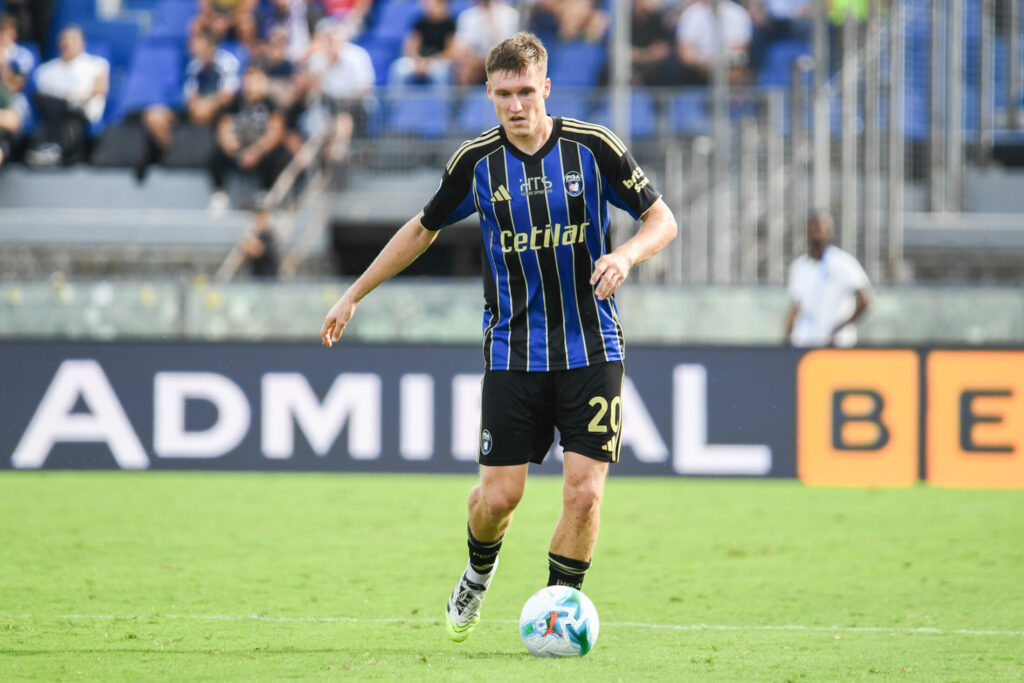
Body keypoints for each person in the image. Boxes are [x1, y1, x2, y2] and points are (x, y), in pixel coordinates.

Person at [320, 32, 678, 642]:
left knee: (585, 495)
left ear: (546, 89)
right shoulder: (477, 163)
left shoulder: (594, 148)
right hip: (514, 352)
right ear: (488, 93)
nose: (516, 105)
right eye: (504, 94)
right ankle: (477, 574)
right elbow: (423, 228)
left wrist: (626, 256)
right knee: (499, 499)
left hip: (594, 346)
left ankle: (559, 614)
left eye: (526, 92)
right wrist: (354, 293)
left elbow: (662, 220)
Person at [137, 29, 241, 181]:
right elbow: (191, 98)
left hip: (221, 114)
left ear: (210, 46)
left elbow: (227, 96)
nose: (192, 47)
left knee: (204, 113)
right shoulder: (194, 65)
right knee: (154, 117)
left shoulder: (227, 62)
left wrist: (207, 104)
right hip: (196, 111)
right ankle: (175, 156)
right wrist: (198, 105)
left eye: (197, 43)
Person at [209, 63, 292, 212]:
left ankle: (267, 192)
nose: (251, 86)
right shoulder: (236, 102)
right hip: (239, 148)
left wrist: (256, 151)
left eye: (256, 81)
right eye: (249, 81)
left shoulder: (270, 104)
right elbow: (224, 127)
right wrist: (233, 148)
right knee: (215, 154)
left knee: (280, 156)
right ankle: (220, 193)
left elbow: (275, 133)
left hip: (260, 150)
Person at [785, 211, 872, 348]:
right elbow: (797, 306)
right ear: (806, 231)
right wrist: (788, 337)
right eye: (815, 228)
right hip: (805, 341)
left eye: (823, 228)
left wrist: (841, 328)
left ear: (830, 232)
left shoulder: (844, 262)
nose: (818, 232)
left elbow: (865, 300)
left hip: (836, 344)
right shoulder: (799, 266)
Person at [26, 25, 109, 166]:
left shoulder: (96, 64)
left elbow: (100, 89)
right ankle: (54, 150)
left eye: (72, 40)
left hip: (82, 109)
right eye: (64, 40)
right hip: (55, 110)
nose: (67, 44)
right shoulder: (46, 69)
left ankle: (54, 150)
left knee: (66, 109)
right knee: (51, 104)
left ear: (82, 43)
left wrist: (76, 99)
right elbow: (40, 97)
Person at [675, 0, 752, 86]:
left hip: (728, 70)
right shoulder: (691, 13)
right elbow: (685, 53)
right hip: (698, 73)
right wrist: (705, 62)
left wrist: (717, 62)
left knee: (736, 70)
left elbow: (739, 49)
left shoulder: (737, 13)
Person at [387, 0, 457, 88]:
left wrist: (429, 61)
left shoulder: (450, 24)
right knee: (398, 69)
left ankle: (442, 97)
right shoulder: (420, 22)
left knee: (441, 73)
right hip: (419, 60)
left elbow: (451, 52)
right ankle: (396, 97)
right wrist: (418, 61)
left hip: (438, 61)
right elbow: (411, 47)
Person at [452, 0, 519, 85]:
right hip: (476, 60)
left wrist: (492, 21)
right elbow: (462, 47)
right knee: (464, 68)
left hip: (500, 58)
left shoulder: (511, 15)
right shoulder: (467, 16)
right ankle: (464, 93)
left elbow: (508, 46)